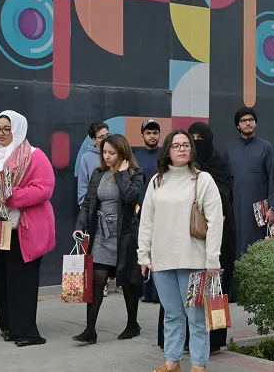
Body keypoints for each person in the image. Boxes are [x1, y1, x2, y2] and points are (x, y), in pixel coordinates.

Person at [139, 130, 225, 372]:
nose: (182, 149)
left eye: (186, 145)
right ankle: (172, 361)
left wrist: (212, 258)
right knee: (171, 314)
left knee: (196, 317)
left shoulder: (203, 179)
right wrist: (143, 255)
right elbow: (147, 220)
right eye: (176, 146)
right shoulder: (157, 181)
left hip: (194, 259)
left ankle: (198, 364)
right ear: (167, 150)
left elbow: (215, 221)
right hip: (162, 260)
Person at [0, 110, 56, 347]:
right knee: (1, 280)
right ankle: (8, 327)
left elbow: (45, 189)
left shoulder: (34, 156)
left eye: (6, 129)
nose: (1, 133)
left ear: (17, 130)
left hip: (23, 231)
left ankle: (26, 332)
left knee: (22, 282)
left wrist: (12, 196)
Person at [157, 122, 235, 351]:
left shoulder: (218, 169)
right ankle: (175, 345)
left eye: (200, 138)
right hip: (177, 242)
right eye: (193, 138)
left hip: (214, 237)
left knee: (207, 295)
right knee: (175, 301)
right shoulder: (167, 177)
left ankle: (208, 346)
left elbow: (223, 203)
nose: (196, 142)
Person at [74, 133, 147, 343]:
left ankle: (132, 324)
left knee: (127, 281)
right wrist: (80, 226)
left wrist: (122, 174)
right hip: (101, 233)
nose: (106, 156)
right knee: (97, 280)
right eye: (104, 152)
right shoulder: (98, 173)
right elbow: (88, 203)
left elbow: (131, 197)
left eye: (111, 153)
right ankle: (90, 330)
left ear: (122, 153)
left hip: (125, 233)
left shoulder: (135, 173)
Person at [226, 106, 274, 260]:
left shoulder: (265, 147)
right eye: (243, 121)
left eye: (251, 120)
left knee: (257, 248)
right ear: (238, 125)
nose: (247, 123)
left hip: (259, 210)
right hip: (235, 208)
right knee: (235, 248)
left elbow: (272, 178)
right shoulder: (230, 148)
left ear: (255, 123)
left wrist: (273, 207)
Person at [134, 119, 164, 303]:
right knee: (145, 249)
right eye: (148, 132)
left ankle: (159, 292)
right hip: (141, 212)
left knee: (160, 250)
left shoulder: (165, 156)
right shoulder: (135, 157)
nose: (152, 136)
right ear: (142, 135)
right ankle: (146, 291)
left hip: (163, 210)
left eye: (155, 132)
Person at [75, 121, 108, 206]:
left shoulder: (117, 154)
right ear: (94, 140)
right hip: (94, 207)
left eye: (107, 135)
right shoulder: (86, 158)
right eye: (102, 137)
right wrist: (85, 207)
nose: (106, 139)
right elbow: (83, 186)